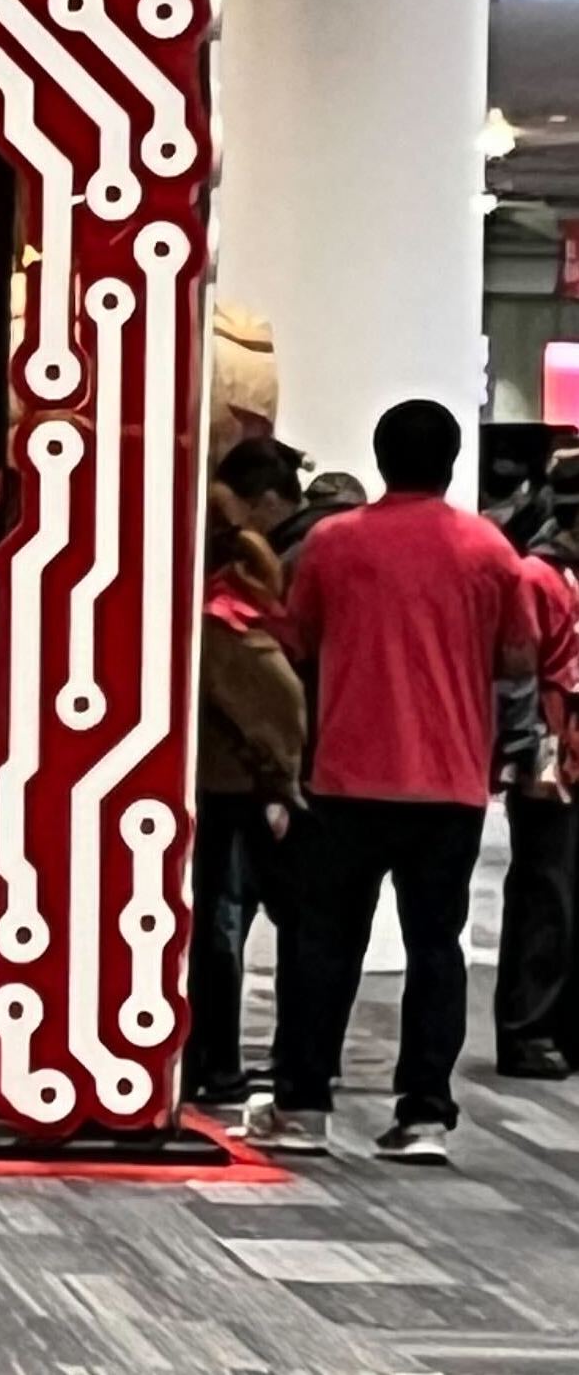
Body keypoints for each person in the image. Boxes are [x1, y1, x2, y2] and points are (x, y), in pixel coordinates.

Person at [251, 399, 535, 1162]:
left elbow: (295, 640)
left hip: (345, 774)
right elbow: (516, 659)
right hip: (448, 781)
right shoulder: (488, 550)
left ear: (379, 458)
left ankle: (303, 1106)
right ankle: (423, 1115)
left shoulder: (332, 545)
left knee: (323, 945)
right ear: (451, 460)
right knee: (435, 948)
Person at [187, 496, 306, 1103]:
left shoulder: (212, 621)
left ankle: (215, 1060)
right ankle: (218, 1062)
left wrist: (279, 779)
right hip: (237, 792)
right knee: (221, 927)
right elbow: (280, 706)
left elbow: (274, 707)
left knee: (216, 927)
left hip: (224, 792)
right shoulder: (234, 618)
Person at [498, 457, 579, 1079]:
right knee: (545, 893)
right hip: (552, 754)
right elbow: (521, 670)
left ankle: (557, 1026)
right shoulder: (539, 577)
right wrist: (526, 749)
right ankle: (530, 1027)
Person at [218, 436, 331, 577]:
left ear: (269, 502)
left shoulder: (294, 558)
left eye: (243, 518)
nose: (238, 525)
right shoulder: (313, 531)